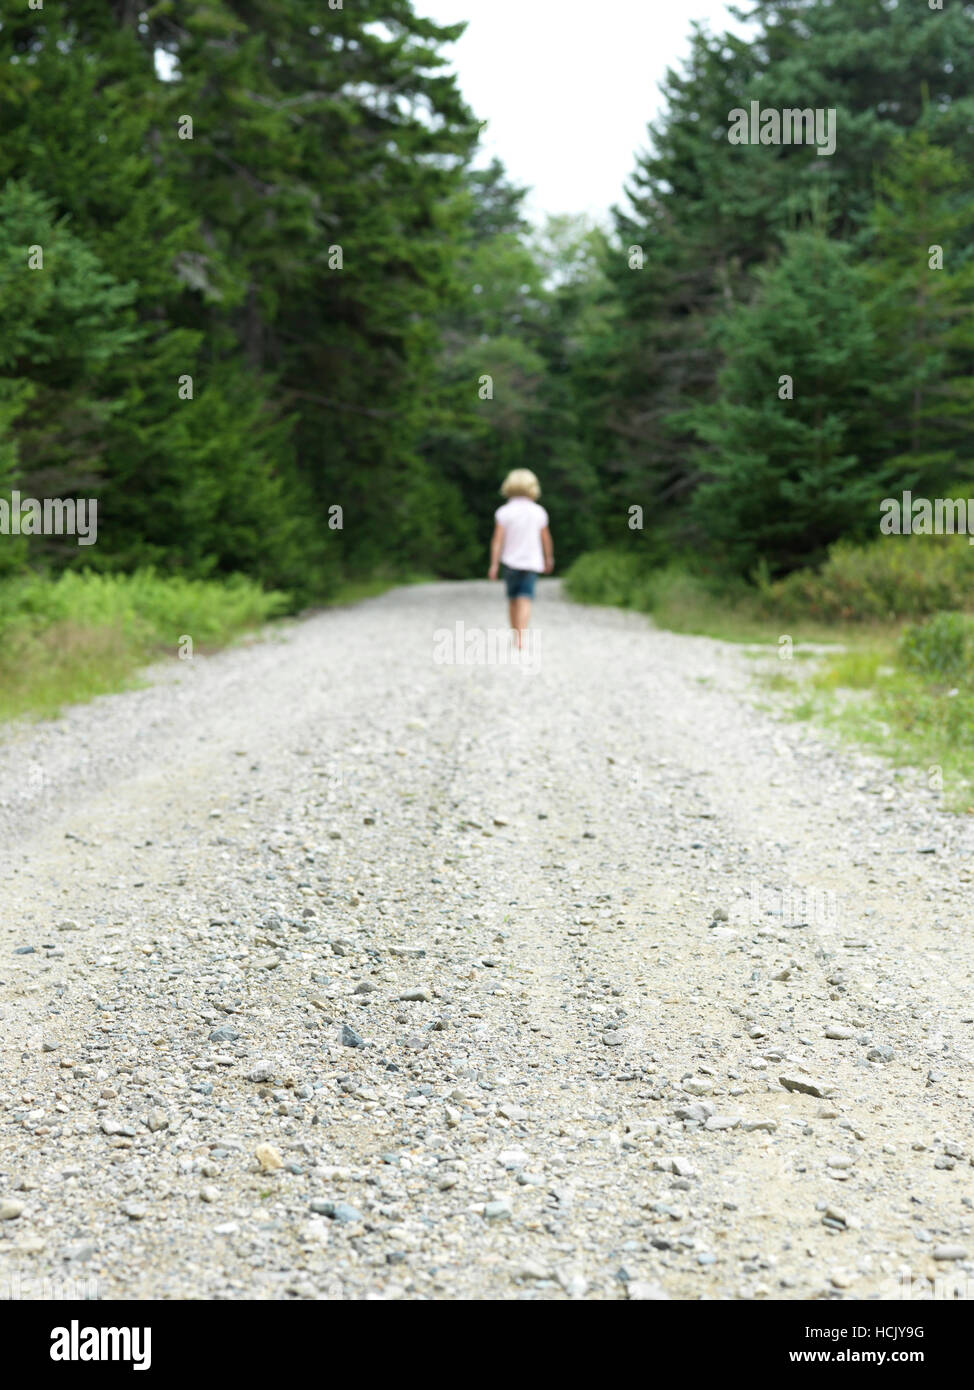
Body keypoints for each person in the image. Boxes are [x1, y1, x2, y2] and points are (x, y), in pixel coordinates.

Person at [487, 469, 554, 648]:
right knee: (525, 598)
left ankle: (515, 631)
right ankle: (521, 637)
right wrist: (549, 558)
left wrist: (494, 564)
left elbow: (497, 541)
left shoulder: (504, 512)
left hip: (510, 562)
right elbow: (546, 538)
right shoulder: (539, 512)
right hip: (531, 562)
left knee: (513, 599)